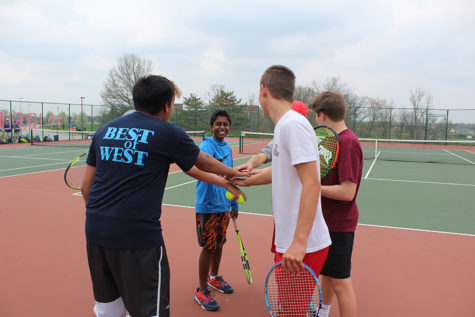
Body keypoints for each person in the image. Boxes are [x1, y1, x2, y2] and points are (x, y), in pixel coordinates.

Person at [81, 75, 247, 317]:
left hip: (95, 234)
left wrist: (105, 220)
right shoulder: (167, 132)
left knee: (109, 310)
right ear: (167, 105)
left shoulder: (103, 131)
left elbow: (87, 188)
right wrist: (235, 174)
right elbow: (205, 162)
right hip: (139, 240)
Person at [233, 65, 331, 277]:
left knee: (290, 309)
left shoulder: (293, 125)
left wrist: (299, 242)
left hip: (301, 247)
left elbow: (312, 184)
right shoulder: (284, 126)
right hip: (290, 240)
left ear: (263, 90)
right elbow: (282, 171)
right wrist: (245, 180)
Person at [309, 91, 363, 317]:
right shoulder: (334, 140)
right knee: (328, 274)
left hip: (340, 225)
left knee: (341, 282)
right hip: (327, 221)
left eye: (315, 117)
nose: (315, 121)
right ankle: (323, 311)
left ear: (322, 115)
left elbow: (348, 192)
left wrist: (313, 188)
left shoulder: (348, 143)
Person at [193, 110, 238, 312]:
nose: (222, 127)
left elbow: (231, 180)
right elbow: (205, 170)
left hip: (223, 206)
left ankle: (213, 278)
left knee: (219, 244)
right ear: (211, 127)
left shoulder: (227, 148)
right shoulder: (205, 147)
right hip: (208, 206)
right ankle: (201, 290)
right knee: (208, 247)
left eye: (225, 124)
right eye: (218, 124)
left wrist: (233, 204)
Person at [235, 101, 308, 173]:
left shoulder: (307, 144)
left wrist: (247, 181)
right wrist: (250, 164)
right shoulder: (280, 138)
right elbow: (263, 156)